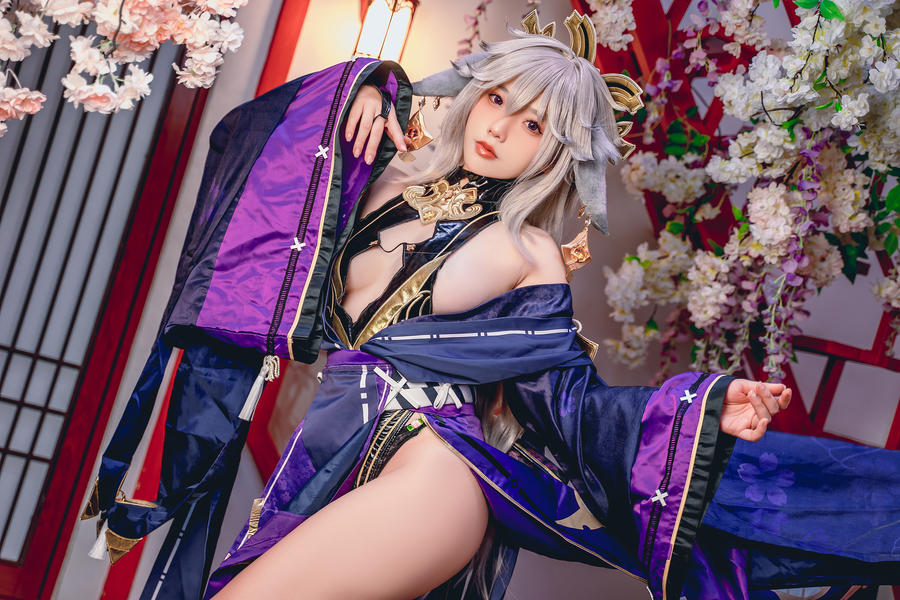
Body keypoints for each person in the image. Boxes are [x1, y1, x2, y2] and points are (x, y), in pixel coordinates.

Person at [85, 12, 899, 600]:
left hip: (436, 471)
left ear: (558, 152)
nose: (501, 127)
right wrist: (358, 85)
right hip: (334, 458)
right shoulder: (378, 175)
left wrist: (705, 405)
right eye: (498, 99)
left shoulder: (529, 253)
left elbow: (570, 408)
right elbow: (248, 147)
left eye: (534, 124)